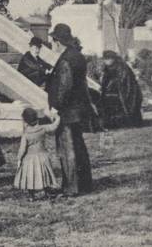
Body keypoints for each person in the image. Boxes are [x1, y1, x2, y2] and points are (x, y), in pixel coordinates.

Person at [46, 23, 93, 196]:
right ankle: (84, 184)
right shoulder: (78, 56)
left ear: (58, 41)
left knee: (67, 149)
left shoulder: (66, 59)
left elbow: (64, 86)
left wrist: (56, 107)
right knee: (79, 147)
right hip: (78, 110)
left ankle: (71, 187)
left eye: (53, 40)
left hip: (67, 112)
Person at [14, 107, 61, 200]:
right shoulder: (42, 128)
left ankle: (31, 196)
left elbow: (22, 148)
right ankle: (47, 193)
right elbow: (53, 126)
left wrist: (19, 159)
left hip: (29, 158)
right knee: (44, 175)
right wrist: (58, 118)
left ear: (25, 120)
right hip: (43, 156)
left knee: (30, 177)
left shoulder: (26, 134)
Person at [100, 50, 143, 128]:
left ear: (112, 59)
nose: (105, 61)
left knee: (129, 105)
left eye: (107, 59)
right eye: (104, 59)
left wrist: (112, 84)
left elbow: (124, 80)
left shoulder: (121, 66)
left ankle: (132, 123)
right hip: (118, 91)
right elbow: (106, 80)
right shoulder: (108, 67)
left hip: (128, 90)